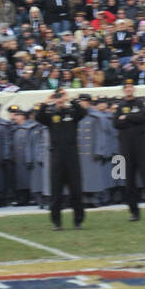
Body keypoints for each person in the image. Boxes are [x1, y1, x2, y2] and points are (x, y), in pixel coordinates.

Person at [34, 88, 87, 229]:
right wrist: (46, 101)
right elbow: (38, 117)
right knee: (56, 191)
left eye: (61, 96)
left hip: (72, 156)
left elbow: (83, 113)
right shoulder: (51, 115)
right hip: (56, 157)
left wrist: (71, 100)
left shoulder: (72, 113)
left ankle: (78, 221)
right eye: (58, 96)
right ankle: (57, 222)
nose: (60, 99)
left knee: (76, 190)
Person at [112, 79, 145, 222]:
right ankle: (134, 212)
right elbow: (116, 123)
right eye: (126, 87)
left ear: (133, 89)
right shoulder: (119, 106)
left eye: (130, 87)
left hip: (141, 146)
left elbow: (143, 118)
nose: (128, 89)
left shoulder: (140, 103)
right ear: (124, 90)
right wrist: (131, 119)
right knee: (129, 182)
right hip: (126, 148)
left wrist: (127, 117)